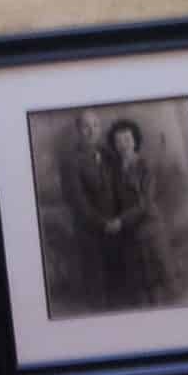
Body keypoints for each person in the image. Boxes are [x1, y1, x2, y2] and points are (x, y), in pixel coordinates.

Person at [55, 107, 123, 309]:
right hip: (90, 230)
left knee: (119, 283)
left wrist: (120, 219)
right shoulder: (70, 161)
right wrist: (103, 224)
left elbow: (119, 188)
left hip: (115, 226)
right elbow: (77, 201)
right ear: (78, 131)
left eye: (95, 125)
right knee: (98, 287)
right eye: (86, 127)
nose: (92, 131)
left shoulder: (109, 154)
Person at [106, 115, 172, 306]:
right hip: (129, 233)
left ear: (135, 140)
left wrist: (120, 221)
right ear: (114, 145)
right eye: (118, 141)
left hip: (150, 228)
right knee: (138, 286)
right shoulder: (114, 169)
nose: (123, 144)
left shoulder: (145, 165)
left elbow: (145, 202)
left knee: (155, 284)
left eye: (127, 139)